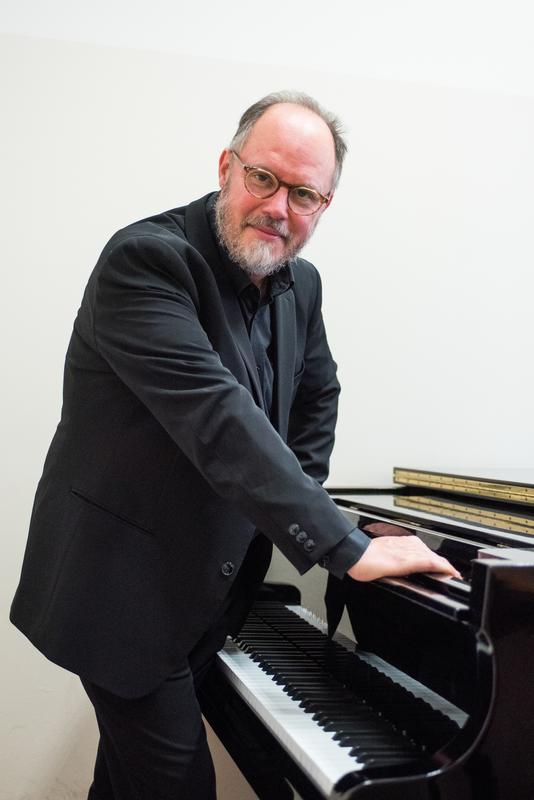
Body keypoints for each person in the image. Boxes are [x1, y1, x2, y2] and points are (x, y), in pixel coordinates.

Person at [11, 91, 458, 799]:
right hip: (120, 595)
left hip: (208, 594)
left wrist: (284, 511)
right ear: (227, 166)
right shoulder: (146, 262)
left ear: (324, 206)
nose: (279, 207)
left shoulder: (300, 283)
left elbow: (318, 394)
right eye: (264, 178)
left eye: (304, 194)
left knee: (127, 784)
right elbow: (218, 418)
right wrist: (345, 545)